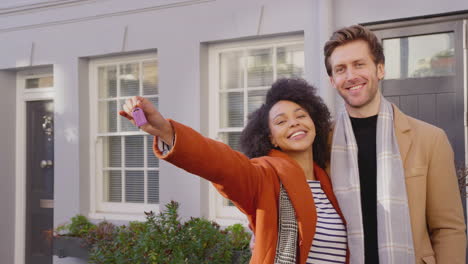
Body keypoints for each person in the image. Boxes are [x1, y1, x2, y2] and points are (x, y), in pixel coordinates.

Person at [120, 78, 349, 264]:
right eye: (281, 121)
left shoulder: (331, 181)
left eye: (301, 116)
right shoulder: (264, 176)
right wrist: (168, 132)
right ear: (271, 138)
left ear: (315, 123)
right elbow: (222, 164)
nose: (294, 123)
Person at [324, 24, 466, 264]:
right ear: (332, 80)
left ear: (380, 69)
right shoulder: (320, 143)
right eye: (340, 69)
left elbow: (448, 229)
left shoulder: (430, 139)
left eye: (359, 64)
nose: (350, 76)